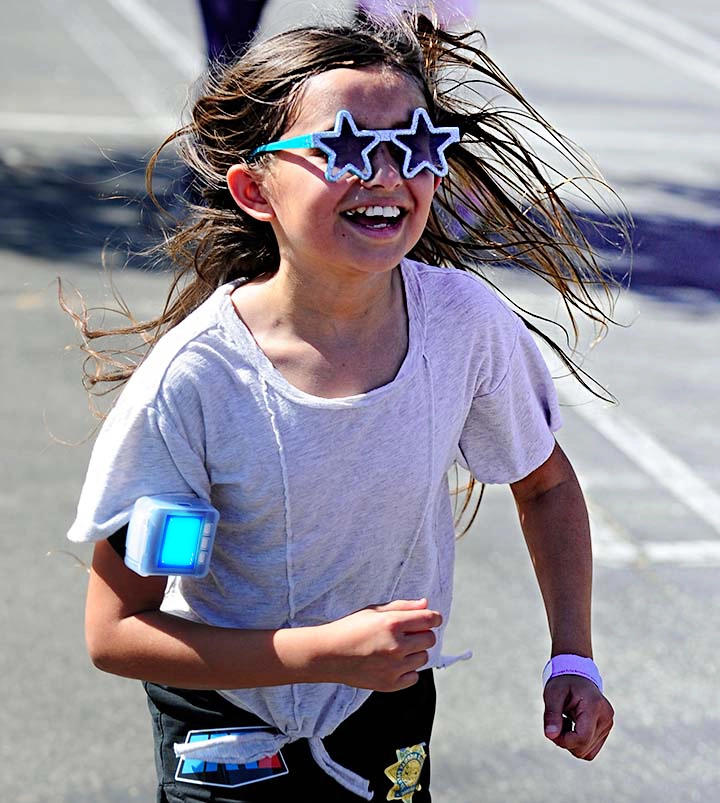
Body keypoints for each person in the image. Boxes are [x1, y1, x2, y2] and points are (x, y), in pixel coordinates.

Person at [65, 11, 617, 802]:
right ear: (256, 189)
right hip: (229, 734)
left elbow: (547, 483)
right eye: (348, 147)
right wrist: (318, 652)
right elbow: (118, 630)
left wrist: (574, 657)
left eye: (416, 144)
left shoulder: (462, 324)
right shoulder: (198, 382)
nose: (388, 173)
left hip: (384, 716)